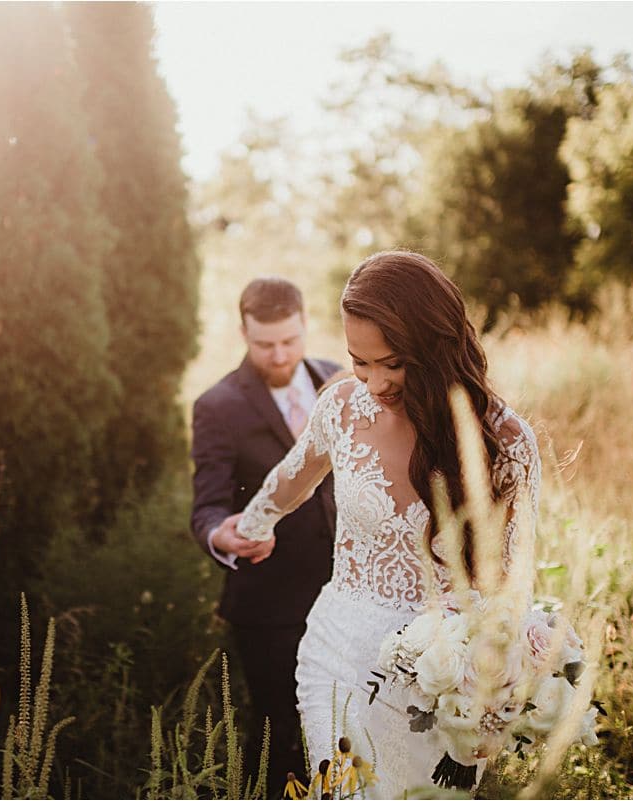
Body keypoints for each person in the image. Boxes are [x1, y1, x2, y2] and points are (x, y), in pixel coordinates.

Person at [214, 251, 542, 795]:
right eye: (359, 362)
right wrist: (251, 526)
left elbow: (511, 583)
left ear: (437, 346)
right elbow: (292, 479)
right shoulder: (343, 407)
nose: (374, 381)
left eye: (393, 363)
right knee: (344, 792)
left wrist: (483, 683)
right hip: (337, 653)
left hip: (442, 677)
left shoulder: (504, 442)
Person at [189, 277, 341, 796]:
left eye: (290, 340)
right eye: (265, 343)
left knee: (349, 724)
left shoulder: (338, 380)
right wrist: (221, 535)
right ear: (243, 332)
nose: (280, 355)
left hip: (346, 592)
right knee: (280, 731)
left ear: (303, 324)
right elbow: (207, 505)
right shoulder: (218, 406)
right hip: (269, 603)